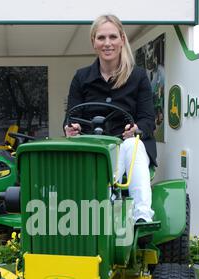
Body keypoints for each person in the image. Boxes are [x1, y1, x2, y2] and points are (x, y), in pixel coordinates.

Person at [64, 14, 157, 223]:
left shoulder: (138, 76)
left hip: (126, 146)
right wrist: (71, 128)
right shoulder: (81, 78)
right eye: (101, 38)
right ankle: (93, 217)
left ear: (122, 40)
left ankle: (141, 216)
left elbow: (148, 120)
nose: (107, 43)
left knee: (132, 145)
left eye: (113, 37)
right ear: (93, 42)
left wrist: (136, 129)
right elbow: (70, 118)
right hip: (93, 147)